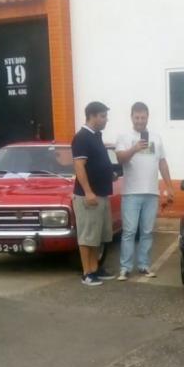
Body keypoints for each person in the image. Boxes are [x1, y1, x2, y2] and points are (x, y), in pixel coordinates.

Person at [114, 102, 174, 280]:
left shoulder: (156, 137)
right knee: (129, 231)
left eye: (143, 117)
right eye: (137, 117)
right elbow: (120, 159)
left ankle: (144, 265)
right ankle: (125, 268)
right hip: (131, 193)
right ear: (131, 117)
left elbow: (162, 162)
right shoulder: (123, 136)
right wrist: (134, 148)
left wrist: (169, 186)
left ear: (148, 117)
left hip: (151, 193)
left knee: (147, 232)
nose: (140, 120)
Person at [71, 101, 117, 286]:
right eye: (103, 116)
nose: (106, 120)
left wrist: (109, 174)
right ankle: (87, 273)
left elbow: (96, 163)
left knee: (98, 236)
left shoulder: (96, 136)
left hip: (102, 194)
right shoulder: (82, 137)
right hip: (88, 196)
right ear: (92, 116)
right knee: (87, 236)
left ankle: (95, 268)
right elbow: (79, 166)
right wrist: (88, 192)